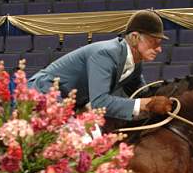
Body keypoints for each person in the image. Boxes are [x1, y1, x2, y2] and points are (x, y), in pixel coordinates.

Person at [28, 10, 173, 128]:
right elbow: (100, 102)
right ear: (134, 37)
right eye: (154, 42)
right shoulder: (106, 53)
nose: (159, 49)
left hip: (68, 103)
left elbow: (142, 93)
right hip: (43, 91)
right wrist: (145, 104)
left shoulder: (136, 63)